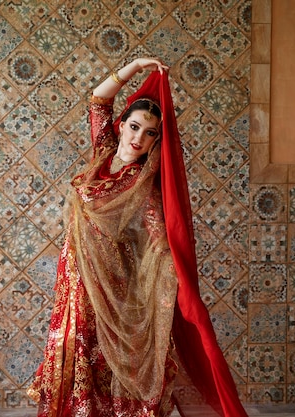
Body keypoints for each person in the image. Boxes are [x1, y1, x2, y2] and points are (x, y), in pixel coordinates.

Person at [28, 58, 248, 417]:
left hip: (111, 285)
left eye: (150, 134)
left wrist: (177, 284)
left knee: (107, 360)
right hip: (74, 280)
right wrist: (136, 66)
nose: (138, 139)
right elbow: (98, 101)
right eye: (134, 127)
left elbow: (161, 240)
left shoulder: (142, 183)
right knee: (74, 348)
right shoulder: (102, 151)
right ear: (122, 124)